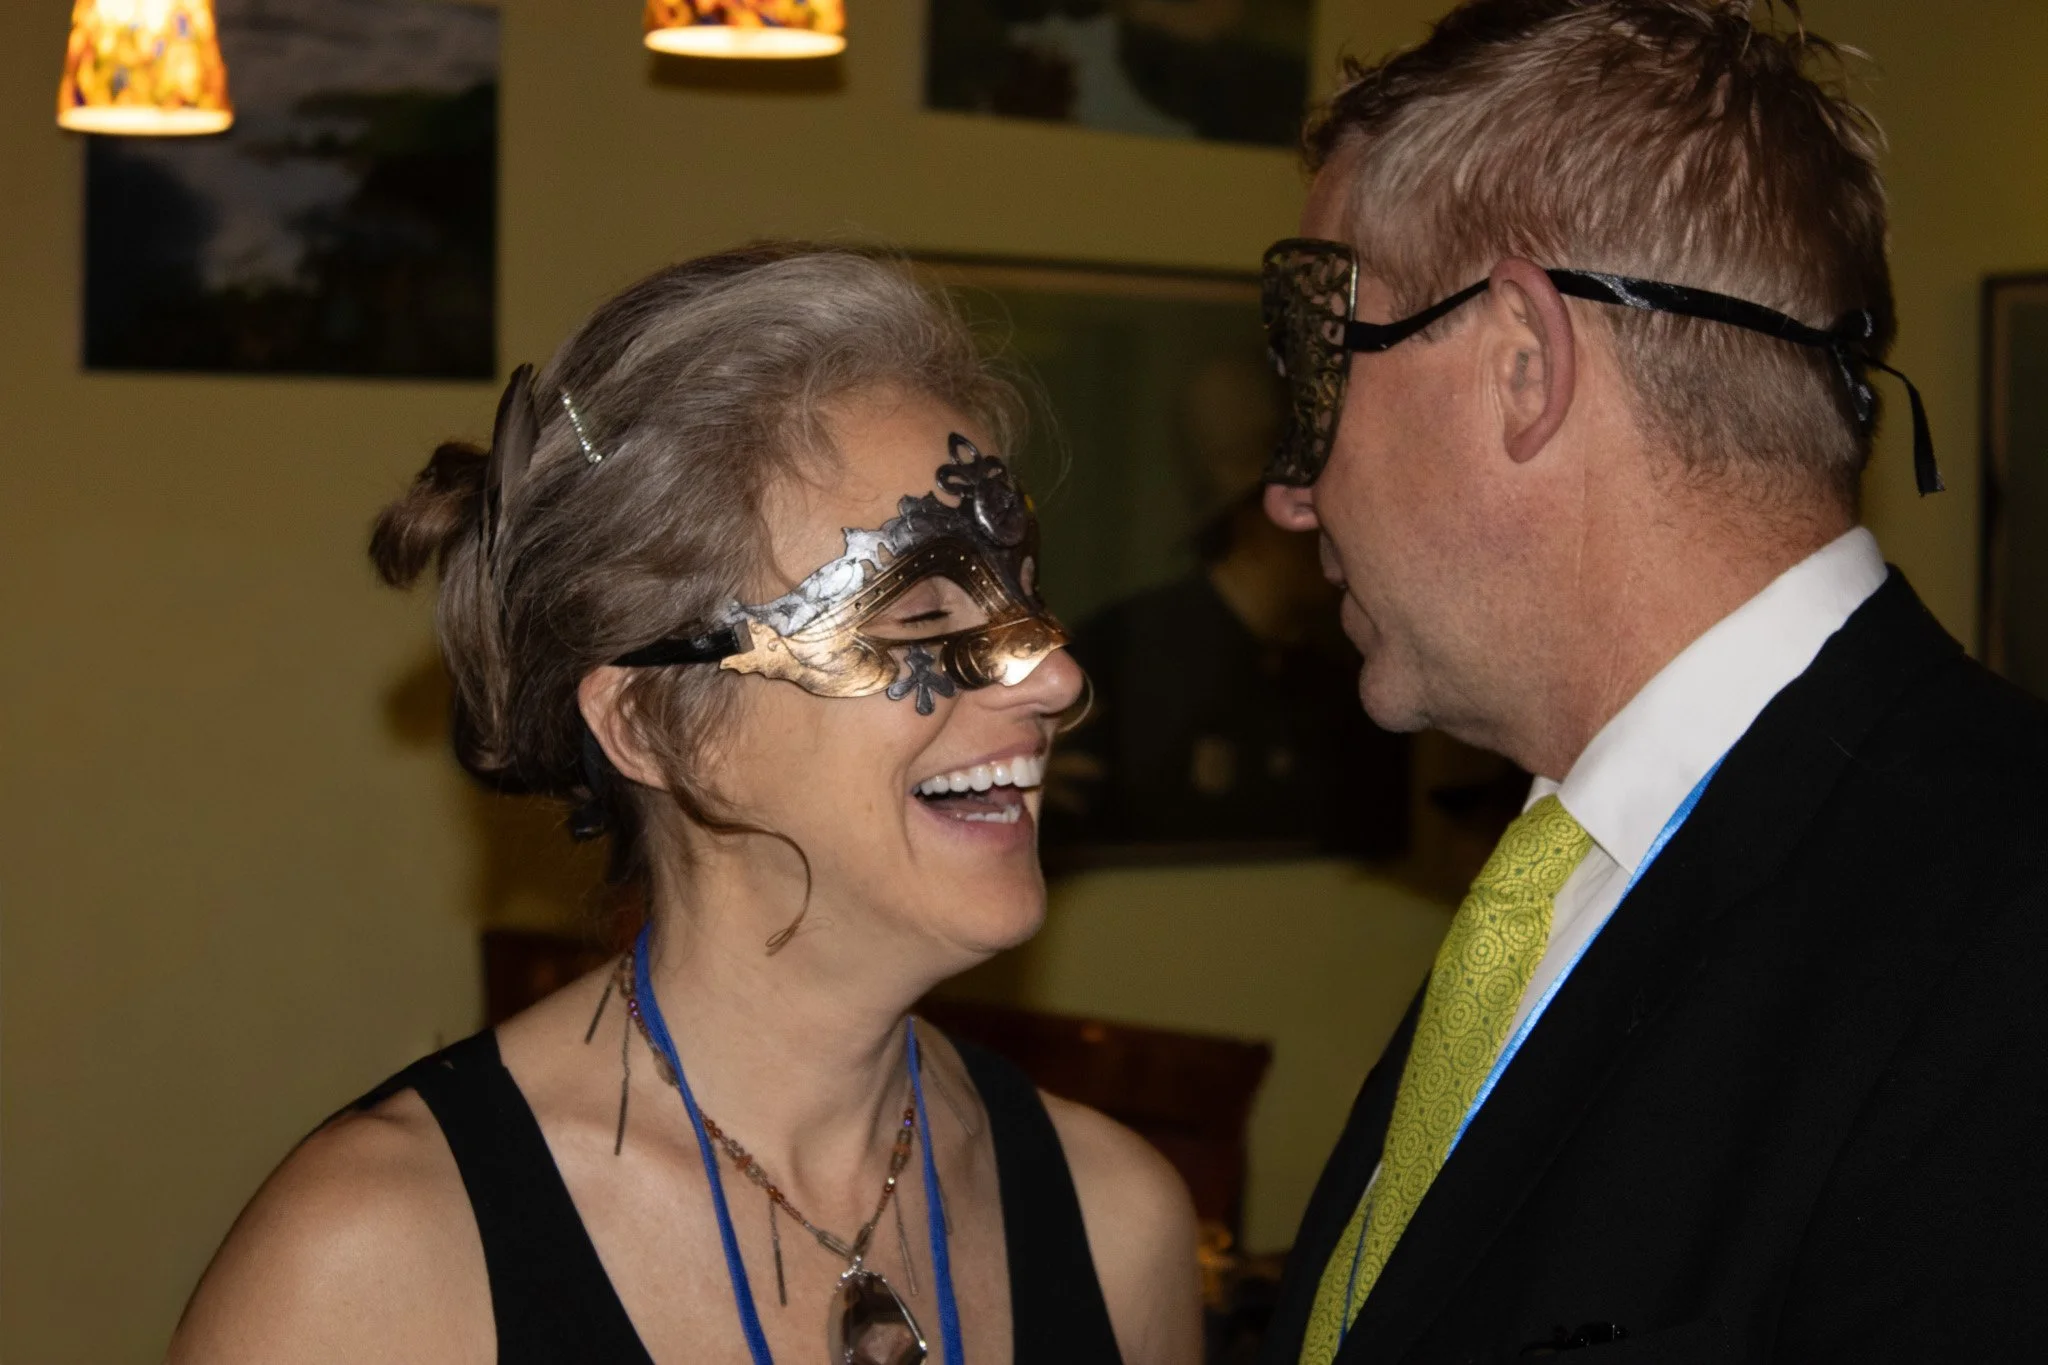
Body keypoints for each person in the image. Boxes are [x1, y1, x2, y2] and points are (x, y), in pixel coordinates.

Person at [169, 247, 1201, 1365]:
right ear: (653, 724)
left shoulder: (1115, 1223)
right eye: (917, 615)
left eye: (1025, 593)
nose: (1050, 674)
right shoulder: (377, 1268)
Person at [1253, 3, 2048, 1362]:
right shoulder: (1559, 886)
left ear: (1522, 362)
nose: (1288, 491)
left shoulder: (2006, 939)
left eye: (1324, 365)